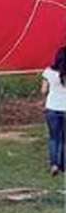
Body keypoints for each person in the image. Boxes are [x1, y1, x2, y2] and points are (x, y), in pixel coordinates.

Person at [40, 46, 66, 175]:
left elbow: (44, 90)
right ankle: (63, 164)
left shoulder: (49, 71)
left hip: (52, 108)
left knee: (54, 138)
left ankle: (54, 164)